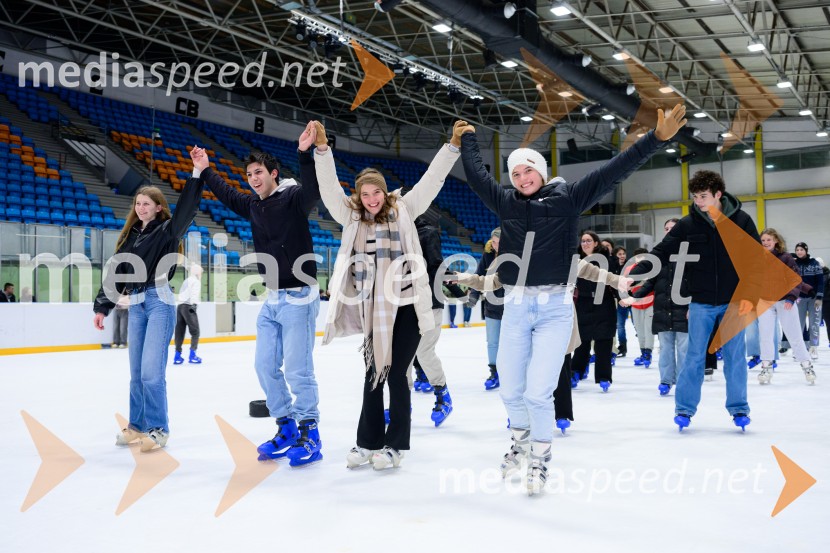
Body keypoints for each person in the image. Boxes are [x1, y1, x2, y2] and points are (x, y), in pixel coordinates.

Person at [459, 104, 686, 494]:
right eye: (515, 173)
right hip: (514, 306)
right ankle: (520, 441)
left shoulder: (568, 198)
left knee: (537, 390)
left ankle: (541, 459)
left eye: (527, 169)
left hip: (554, 311)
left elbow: (615, 170)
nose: (521, 177)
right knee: (511, 389)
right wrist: (466, 140)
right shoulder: (507, 203)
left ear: (541, 171)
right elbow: (478, 176)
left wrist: (655, 139)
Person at [315, 120, 461, 471]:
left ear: (385, 193)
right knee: (372, 374)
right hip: (372, 308)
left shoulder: (405, 210)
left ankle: (395, 446)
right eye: (364, 194)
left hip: (407, 306)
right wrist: (322, 150)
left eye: (376, 193)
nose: (371, 200)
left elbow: (432, 181)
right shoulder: (351, 218)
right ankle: (367, 443)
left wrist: (452, 146)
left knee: (396, 374)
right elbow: (328, 188)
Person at [192, 122, 323, 466]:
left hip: (299, 295)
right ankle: (286, 427)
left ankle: (310, 431)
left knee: (297, 367)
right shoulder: (253, 205)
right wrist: (206, 170)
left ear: (273, 173)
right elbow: (226, 193)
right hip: (274, 298)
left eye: (259, 171)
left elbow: (313, 188)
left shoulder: (293, 198)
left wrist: (305, 153)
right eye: (249, 173)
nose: (253, 177)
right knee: (264, 365)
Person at [631, 170, 760, 432]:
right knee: (693, 357)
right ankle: (684, 409)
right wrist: (637, 272)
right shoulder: (689, 224)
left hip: (734, 301)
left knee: (735, 357)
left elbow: (756, 261)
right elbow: (662, 251)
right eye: (695, 197)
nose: (698, 201)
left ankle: (739, 409)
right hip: (700, 302)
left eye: (703, 196)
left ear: (718, 195)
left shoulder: (742, 221)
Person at [453, 258, 631, 433]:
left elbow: (588, 270)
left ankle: (561, 414)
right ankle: (522, 417)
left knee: (559, 371)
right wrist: (461, 277)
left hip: (555, 325)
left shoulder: (557, 251)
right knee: (522, 376)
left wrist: (617, 280)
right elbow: (489, 282)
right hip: (523, 328)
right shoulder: (512, 259)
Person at [93, 177, 204, 452]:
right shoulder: (130, 235)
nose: (141, 208)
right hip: (136, 303)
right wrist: (102, 307)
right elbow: (116, 273)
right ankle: (137, 425)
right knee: (136, 373)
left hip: (159, 300)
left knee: (152, 373)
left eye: (147, 204)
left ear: (158, 208)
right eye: (138, 204)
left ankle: (159, 429)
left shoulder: (168, 231)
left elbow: (187, 210)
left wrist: (196, 175)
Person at [626, 218, 689, 395]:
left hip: (684, 309)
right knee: (665, 347)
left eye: (673, 228)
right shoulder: (659, 256)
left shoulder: (690, 254)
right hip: (663, 309)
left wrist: (694, 305)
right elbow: (650, 282)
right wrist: (633, 297)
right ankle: (666, 380)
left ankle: (684, 382)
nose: (669, 231)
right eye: (666, 228)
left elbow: (698, 283)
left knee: (684, 349)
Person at [407, 214, 456, 426]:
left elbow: (436, 264)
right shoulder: (396, 233)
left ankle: (442, 394)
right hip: (403, 303)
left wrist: (452, 287)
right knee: (402, 357)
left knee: (424, 352)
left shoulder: (428, 232)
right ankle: (401, 403)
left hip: (429, 302)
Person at [756, 229, 816, 385]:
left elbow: (795, 279)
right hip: (764, 302)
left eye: (769, 240)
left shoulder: (786, 258)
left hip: (785, 301)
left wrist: (791, 297)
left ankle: (807, 366)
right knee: (765, 337)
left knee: (794, 335)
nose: (766, 243)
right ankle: (766, 367)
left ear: (776, 240)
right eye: (763, 240)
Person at [572, 231, 619, 391]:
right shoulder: (575, 260)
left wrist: (622, 297)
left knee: (604, 341)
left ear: (596, 243)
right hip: (583, 302)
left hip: (604, 303)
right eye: (583, 241)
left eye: (589, 240)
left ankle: (604, 376)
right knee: (581, 340)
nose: (585, 243)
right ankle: (575, 372)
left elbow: (614, 281)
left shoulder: (607, 260)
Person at [467, 227, 504, 389]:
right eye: (494, 242)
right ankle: (494, 372)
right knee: (493, 342)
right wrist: (473, 294)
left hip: (512, 307)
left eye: (499, 243)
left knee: (513, 343)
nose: (496, 246)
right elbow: (478, 276)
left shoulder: (514, 256)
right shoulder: (488, 255)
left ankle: (511, 373)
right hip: (492, 306)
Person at [793, 242, 824, 359]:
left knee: (814, 324)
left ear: (806, 250)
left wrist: (819, 297)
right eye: (797, 250)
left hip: (814, 298)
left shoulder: (815, 264)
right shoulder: (794, 265)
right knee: (797, 324)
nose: (799, 252)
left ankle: (813, 347)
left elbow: (821, 282)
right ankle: (799, 349)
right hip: (799, 298)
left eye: (801, 249)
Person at [626, 247, 655, 368]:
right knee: (639, 329)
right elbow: (625, 285)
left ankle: (648, 352)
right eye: (638, 256)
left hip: (651, 301)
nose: (641, 259)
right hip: (636, 303)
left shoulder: (652, 268)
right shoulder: (629, 269)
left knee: (648, 328)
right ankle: (643, 351)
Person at [173, 264, 203, 364]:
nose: (201, 274)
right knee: (195, 332)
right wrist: (194, 305)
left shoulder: (186, 280)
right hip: (189, 306)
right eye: (201, 272)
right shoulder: (196, 281)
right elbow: (194, 294)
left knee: (179, 332)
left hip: (180, 306)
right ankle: (192, 355)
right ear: (197, 272)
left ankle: (177, 356)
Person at [611, 246, 630, 357]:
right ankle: (622, 347)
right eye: (619, 254)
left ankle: (644, 346)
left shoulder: (629, 267)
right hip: (618, 300)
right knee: (620, 325)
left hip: (630, 299)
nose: (622, 256)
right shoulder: (613, 267)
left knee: (636, 325)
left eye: (623, 253)